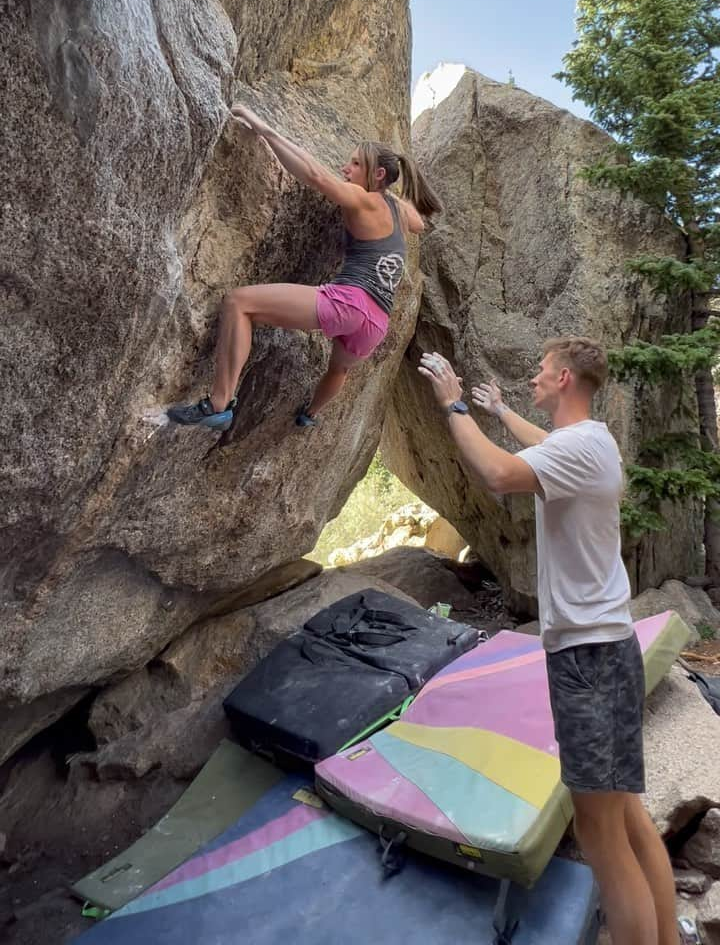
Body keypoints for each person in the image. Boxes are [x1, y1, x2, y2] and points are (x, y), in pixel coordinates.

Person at [418, 337, 680, 945]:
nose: (534, 378)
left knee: (602, 841)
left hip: (586, 659)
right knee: (630, 819)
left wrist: (454, 405)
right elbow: (542, 448)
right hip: (609, 648)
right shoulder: (594, 443)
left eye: (540, 371)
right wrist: (501, 412)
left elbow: (497, 473)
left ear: (564, 378)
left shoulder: (581, 447)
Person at [168, 104, 441, 430]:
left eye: (355, 163)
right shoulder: (399, 210)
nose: (345, 168)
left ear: (377, 174)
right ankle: (309, 415)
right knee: (339, 370)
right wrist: (396, 194)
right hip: (376, 323)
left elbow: (314, 174)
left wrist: (263, 128)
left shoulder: (363, 198)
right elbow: (420, 223)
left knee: (238, 303)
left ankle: (218, 404)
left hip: (350, 301)